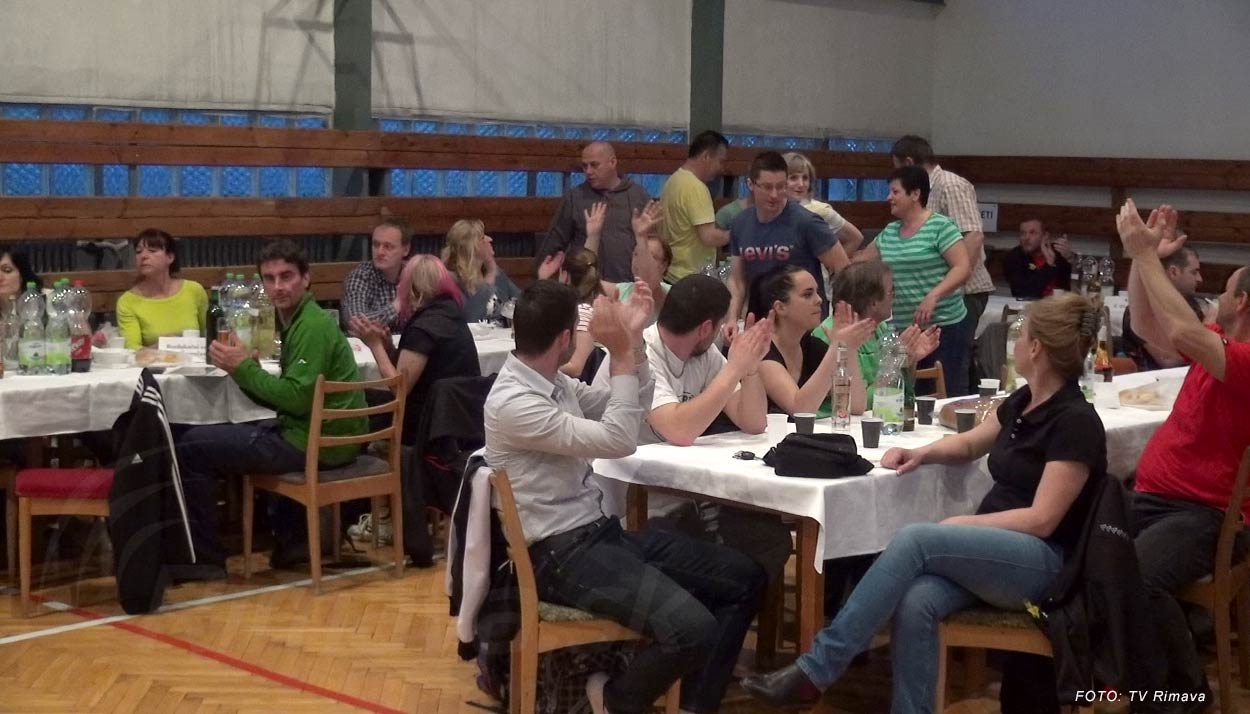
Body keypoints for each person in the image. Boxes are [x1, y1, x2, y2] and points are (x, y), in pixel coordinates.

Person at [743, 292, 1107, 713]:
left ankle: (816, 669)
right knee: (918, 600)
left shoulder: (1074, 421)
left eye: (1021, 336)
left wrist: (964, 525)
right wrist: (921, 453)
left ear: (1037, 349)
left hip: (1046, 562)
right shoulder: (1023, 401)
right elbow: (970, 443)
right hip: (1003, 548)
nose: (1016, 344)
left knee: (917, 540)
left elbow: (1043, 519)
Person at [485, 279, 765, 714]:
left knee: (745, 576)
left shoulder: (553, 381)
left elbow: (633, 405)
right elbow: (619, 439)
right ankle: (614, 701)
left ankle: (693, 704)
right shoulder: (514, 401)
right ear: (564, 339)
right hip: (558, 556)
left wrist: (633, 343)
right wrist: (618, 354)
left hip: (598, 535)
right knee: (692, 629)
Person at [1116, 200, 1250, 704]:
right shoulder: (1216, 340)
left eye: (1226, 291)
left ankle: (1187, 694)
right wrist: (1144, 259)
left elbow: (1178, 331)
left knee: (1137, 576)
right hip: (1156, 500)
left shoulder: (1245, 359)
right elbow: (1148, 325)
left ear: (1244, 303)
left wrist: (1144, 255)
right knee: (1079, 542)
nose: (1217, 297)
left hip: (1204, 514)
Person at [176, 240, 366, 568]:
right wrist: (241, 370)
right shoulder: (301, 319)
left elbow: (296, 399)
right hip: (320, 436)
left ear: (306, 278)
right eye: (269, 278)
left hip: (317, 444)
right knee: (226, 432)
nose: (278, 286)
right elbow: (283, 399)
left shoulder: (311, 325)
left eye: (286, 276)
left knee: (191, 445)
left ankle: (204, 561)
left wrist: (244, 369)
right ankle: (290, 541)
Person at [593, 274, 792, 585]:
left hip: (684, 495)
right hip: (630, 506)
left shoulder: (704, 355)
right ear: (705, 328)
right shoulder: (641, 353)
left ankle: (735, 610)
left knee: (770, 538)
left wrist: (751, 368)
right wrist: (734, 369)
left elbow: (753, 422)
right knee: (733, 559)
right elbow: (679, 430)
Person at [855, 166, 973, 395]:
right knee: (907, 393)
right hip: (904, 329)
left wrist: (933, 296)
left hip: (943, 328)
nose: (888, 197)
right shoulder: (889, 232)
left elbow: (962, 268)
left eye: (895, 192)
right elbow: (861, 262)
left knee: (944, 391)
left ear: (916, 194)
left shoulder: (941, 227)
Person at [892, 136, 992, 390]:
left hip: (965, 291)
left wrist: (953, 283)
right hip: (941, 292)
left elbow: (973, 235)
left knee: (952, 367)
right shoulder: (927, 191)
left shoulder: (949, 184)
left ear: (909, 163)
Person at [350, 254, 479, 444]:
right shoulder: (452, 314)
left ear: (411, 288)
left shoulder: (423, 329)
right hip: (456, 419)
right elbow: (421, 370)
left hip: (426, 426)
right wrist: (388, 348)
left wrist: (375, 346)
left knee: (357, 400)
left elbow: (399, 390)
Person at [726, 151, 851, 333]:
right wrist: (732, 318)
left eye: (781, 187)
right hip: (762, 324)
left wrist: (838, 318)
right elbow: (737, 281)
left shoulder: (807, 222)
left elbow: (843, 269)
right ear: (750, 184)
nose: (774, 195)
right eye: (767, 187)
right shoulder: (740, 224)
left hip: (806, 328)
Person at [811, 261, 941, 410]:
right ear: (873, 302)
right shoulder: (827, 336)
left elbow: (898, 393)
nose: (894, 297)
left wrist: (909, 360)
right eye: (891, 292)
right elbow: (855, 404)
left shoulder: (881, 329)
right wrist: (894, 364)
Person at [748, 265, 876, 417]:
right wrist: (836, 347)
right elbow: (799, 410)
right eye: (808, 295)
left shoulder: (814, 346)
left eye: (817, 292)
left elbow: (855, 405)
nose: (819, 300)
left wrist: (847, 348)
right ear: (781, 308)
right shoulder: (761, 350)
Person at [534, 141, 652, 283]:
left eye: (594, 165)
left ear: (613, 163)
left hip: (628, 284)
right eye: (585, 166)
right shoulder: (575, 198)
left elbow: (653, 244)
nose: (588, 171)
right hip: (586, 284)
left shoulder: (637, 196)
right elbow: (554, 244)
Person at [115, 228, 207, 350]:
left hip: (196, 359)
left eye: (152, 251)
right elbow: (131, 348)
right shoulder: (127, 302)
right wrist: (164, 345)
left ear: (170, 257)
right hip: (153, 361)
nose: (143, 256)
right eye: (138, 252)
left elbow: (208, 334)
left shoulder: (194, 290)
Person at [1122, 240, 1206, 370]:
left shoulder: (1191, 304)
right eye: (1194, 272)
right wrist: (1208, 333)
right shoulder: (1140, 309)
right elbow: (1169, 361)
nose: (1199, 279)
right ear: (1174, 272)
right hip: (1149, 379)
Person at [661, 130, 730, 282]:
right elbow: (709, 237)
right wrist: (737, 233)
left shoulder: (673, 181)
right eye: (720, 161)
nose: (721, 168)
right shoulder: (696, 188)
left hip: (671, 274)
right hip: (690, 278)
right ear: (706, 156)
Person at [782, 151, 864, 254]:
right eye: (793, 178)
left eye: (805, 178)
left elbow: (855, 238)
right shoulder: (768, 211)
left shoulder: (820, 210)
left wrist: (831, 263)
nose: (801, 184)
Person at [340, 217, 412, 332]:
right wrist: (397, 305)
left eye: (388, 246)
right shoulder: (361, 276)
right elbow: (356, 322)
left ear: (406, 250)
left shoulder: (415, 275)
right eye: (376, 245)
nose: (380, 252)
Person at [556, 248, 605, 379]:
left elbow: (576, 368)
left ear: (565, 276)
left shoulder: (582, 313)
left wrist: (538, 367)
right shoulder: (581, 308)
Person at [1003, 218, 1073, 300]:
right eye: (1023, 233)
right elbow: (1022, 293)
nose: (1026, 237)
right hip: (1031, 305)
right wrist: (1049, 266)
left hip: (1061, 304)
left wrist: (1070, 259)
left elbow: (1075, 287)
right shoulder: (1014, 257)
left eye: (1032, 233)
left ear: (1045, 236)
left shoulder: (1058, 253)